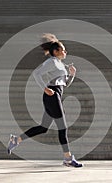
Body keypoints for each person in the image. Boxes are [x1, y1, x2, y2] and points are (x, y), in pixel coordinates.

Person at [7, 36, 83, 168]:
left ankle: (16, 139)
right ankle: (68, 158)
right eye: (64, 50)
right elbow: (37, 74)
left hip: (56, 95)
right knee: (62, 127)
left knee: (43, 128)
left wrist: (72, 74)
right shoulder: (52, 62)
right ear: (56, 51)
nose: (66, 52)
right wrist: (45, 88)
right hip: (51, 96)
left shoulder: (61, 65)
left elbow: (64, 85)